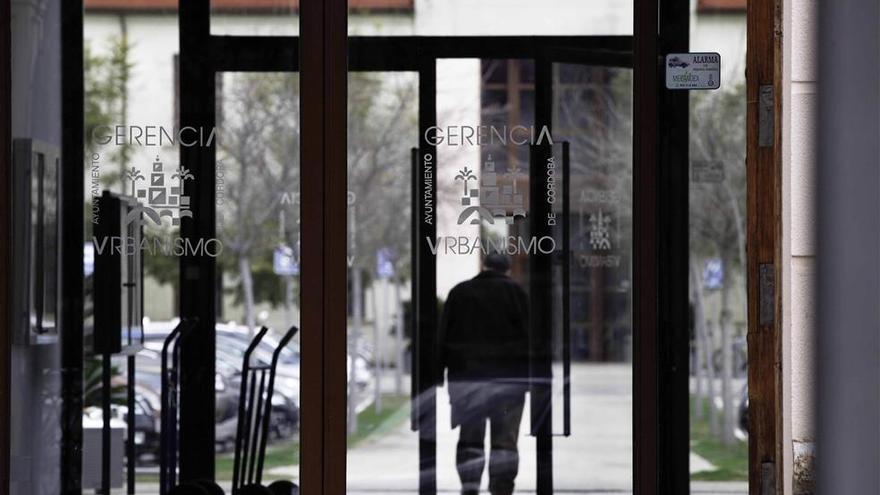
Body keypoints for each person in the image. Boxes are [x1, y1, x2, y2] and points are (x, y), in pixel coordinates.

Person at [439, 253, 530, 495]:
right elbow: (531, 340)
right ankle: (501, 489)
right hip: (509, 383)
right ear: (507, 270)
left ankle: (470, 488)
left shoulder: (460, 293)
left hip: (468, 381)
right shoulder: (517, 295)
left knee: (470, 440)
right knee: (505, 443)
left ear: (484, 265)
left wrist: (437, 374)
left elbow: (444, 336)